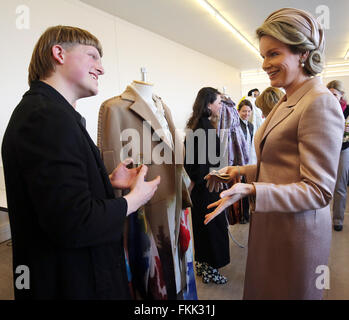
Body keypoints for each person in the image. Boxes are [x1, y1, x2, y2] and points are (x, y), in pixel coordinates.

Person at [1, 25, 160, 300]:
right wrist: (133, 200)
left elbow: (57, 197)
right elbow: (73, 222)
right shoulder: (45, 117)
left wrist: (105, 182)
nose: (101, 68)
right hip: (71, 283)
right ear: (59, 53)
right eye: (93, 56)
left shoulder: (50, 112)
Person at [204, 8, 344, 299]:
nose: (266, 64)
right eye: (264, 56)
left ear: (302, 53)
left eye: (274, 54)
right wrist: (240, 172)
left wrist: (252, 189)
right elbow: (283, 166)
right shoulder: (286, 100)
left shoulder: (319, 103)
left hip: (296, 234)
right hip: (275, 223)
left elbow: (318, 191)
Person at [184, 87, 229, 284]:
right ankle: (212, 271)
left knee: (202, 230)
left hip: (200, 191)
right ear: (209, 105)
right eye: (218, 102)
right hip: (209, 189)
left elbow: (192, 165)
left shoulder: (196, 126)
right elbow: (203, 168)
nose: (221, 106)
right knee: (213, 230)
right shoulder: (206, 130)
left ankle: (202, 266)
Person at [326, 80, 349, 231]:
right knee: (323, 184)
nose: (331, 96)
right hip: (326, 150)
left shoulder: (348, 111)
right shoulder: (323, 108)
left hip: (343, 149)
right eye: (329, 93)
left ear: (341, 95)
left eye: (334, 94)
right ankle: (322, 218)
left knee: (340, 186)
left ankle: (338, 220)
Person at [237, 99, 254, 223]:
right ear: (238, 111)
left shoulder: (251, 125)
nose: (246, 114)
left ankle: (248, 213)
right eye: (244, 111)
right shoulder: (236, 125)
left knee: (249, 187)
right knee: (241, 189)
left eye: (248, 111)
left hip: (249, 160)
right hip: (240, 161)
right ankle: (242, 215)